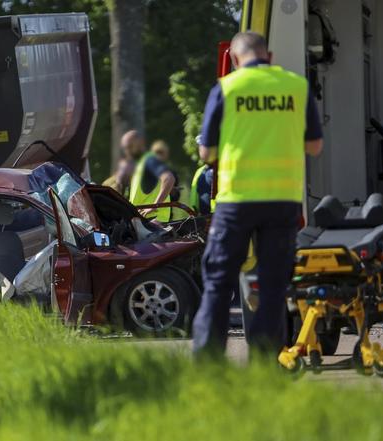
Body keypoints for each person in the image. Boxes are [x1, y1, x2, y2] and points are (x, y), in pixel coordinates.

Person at [192, 31, 323, 357]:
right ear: (270, 57)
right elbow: (315, 146)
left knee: (219, 282)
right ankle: (265, 366)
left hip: (237, 200)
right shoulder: (296, 87)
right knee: (273, 285)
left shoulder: (226, 88)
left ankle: (208, 363)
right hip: (282, 202)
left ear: (235, 60)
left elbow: (207, 153)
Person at [125, 130, 176, 222]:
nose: (128, 150)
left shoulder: (149, 160)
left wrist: (155, 205)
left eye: (130, 146)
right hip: (145, 220)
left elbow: (169, 178)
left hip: (154, 221)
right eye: (126, 147)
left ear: (141, 142)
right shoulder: (140, 164)